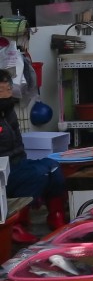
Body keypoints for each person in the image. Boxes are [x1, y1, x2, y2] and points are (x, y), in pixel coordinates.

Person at [0, 70, 67, 244]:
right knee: (38, 174)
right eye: (2, 90)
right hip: (4, 172)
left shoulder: (8, 111)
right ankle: (16, 223)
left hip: (18, 163)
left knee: (53, 166)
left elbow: (17, 145)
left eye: (8, 88)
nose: (7, 93)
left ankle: (56, 215)